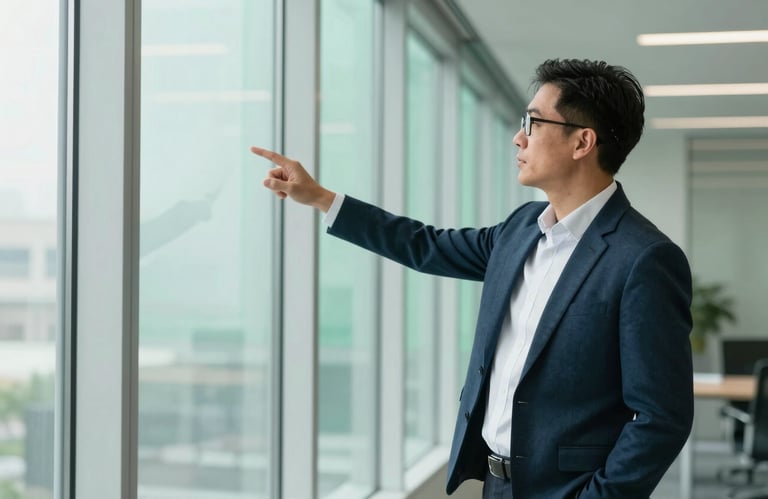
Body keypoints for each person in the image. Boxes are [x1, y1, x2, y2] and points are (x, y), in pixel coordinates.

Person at [253, 58, 693, 499]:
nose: (518, 137)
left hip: (569, 490)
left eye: (533, 122)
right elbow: (426, 245)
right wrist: (322, 198)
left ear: (583, 142)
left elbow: (661, 416)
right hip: (495, 484)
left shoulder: (644, 259)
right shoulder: (521, 228)